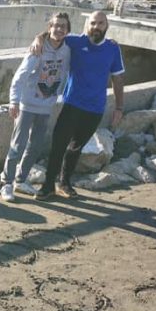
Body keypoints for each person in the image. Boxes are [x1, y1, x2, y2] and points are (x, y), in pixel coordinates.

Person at [30, 11, 125, 201]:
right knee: (58, 144)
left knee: (76, 148)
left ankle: (64, 183)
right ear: (86, 25)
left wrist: (119, 108)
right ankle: (48, 185)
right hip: (72, 104)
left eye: (100, 23)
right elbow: (53, 33)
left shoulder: (113, 49)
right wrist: (38, 39)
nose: (96, 27)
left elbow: (118, 78)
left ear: (106, 26)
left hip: (95, 108)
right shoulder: (75, 41)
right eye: (92, 23)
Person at [0, 12, 71, 203]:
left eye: (63, 26)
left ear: (68, 30)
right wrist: (14, 101)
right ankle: (6, 183)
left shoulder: (67, 49)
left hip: (46, 106)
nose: (59, 29)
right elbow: (19, 76)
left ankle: (20, 180)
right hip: (27, 105)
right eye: (55, 25)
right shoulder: (38, 49)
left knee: (35, 146)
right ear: (49, 28)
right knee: (18, 145)